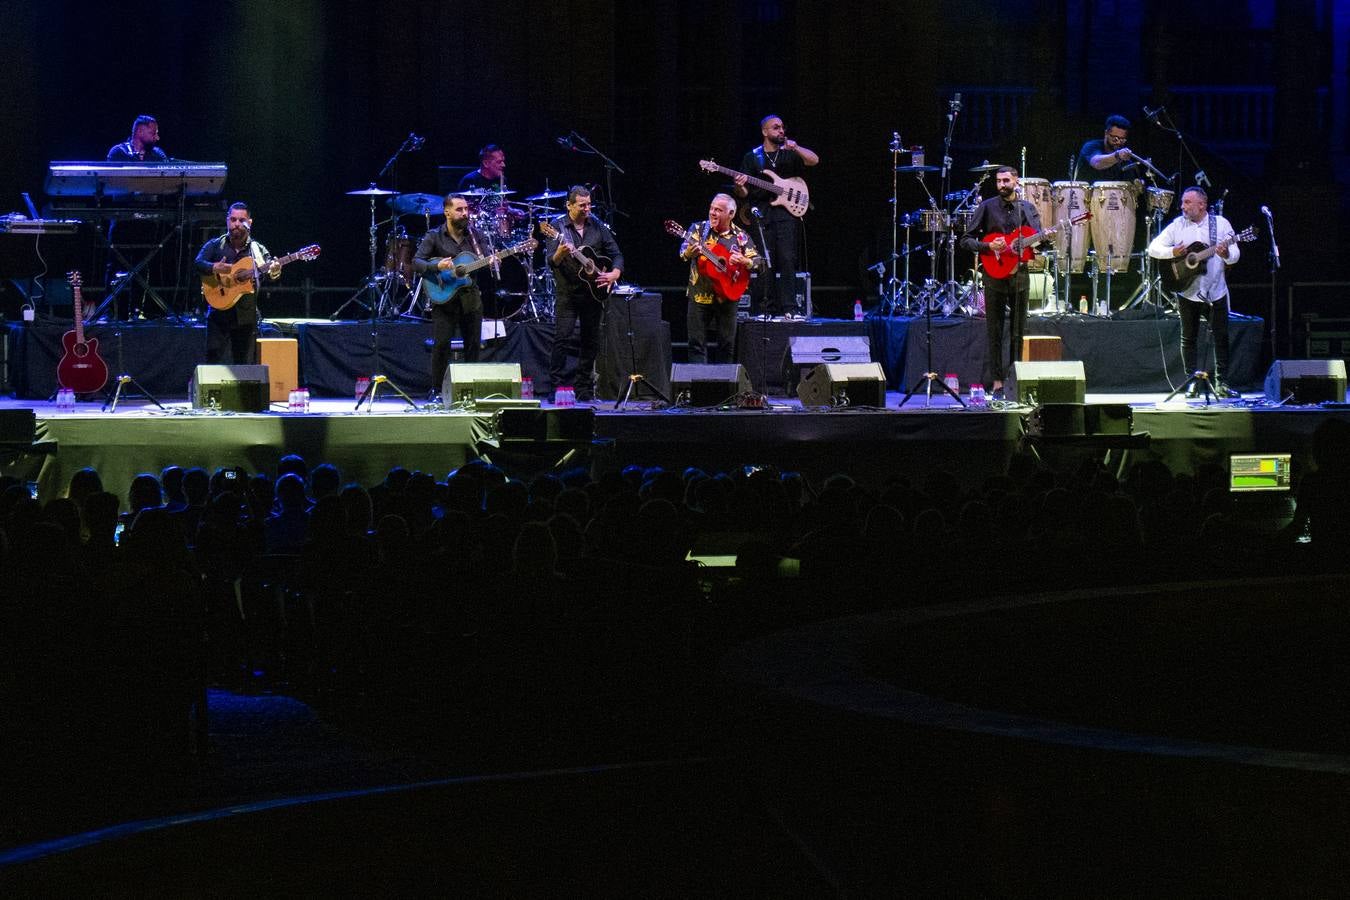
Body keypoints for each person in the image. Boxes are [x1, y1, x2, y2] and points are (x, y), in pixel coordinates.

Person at [1147, 186, 1241, 398]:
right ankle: (1192, 382)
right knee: (1188, 338)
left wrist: (1226, 253)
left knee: (1221, 337)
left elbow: (1235, 254)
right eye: (1183, 203)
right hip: (1187, 291)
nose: (1182, 207)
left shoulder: (1221, 224)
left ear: (1202, 204)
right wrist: (1172, 251)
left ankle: (1222, 383)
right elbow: (1153, 248)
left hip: (1215, 291)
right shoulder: (1178, 225)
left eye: (1187, 202)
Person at [958, 166, 1042, 397]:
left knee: (1018, 330)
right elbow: (965, 240)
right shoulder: (986, 207)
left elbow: (1039, 239)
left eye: (1006, 180)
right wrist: (987, 246)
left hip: (1020, 276)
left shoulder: (1026, 208)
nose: (1002, 185)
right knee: (994, 330)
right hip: (994, 276)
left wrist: (1041, 240)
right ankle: (997, 381)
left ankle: (1016, 377)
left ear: (1016, 182)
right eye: (998, 181)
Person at [734, 115, 819, 318]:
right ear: (765, 132)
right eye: (776, 127)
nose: (781, 130)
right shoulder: (753, 157)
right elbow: (743, 194)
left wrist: (796, 147)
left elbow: (814, 160)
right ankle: (766, 309)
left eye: (782, 127)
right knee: (764, 260)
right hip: (762, 214)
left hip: (786, 214)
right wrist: (739, 186)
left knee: (788, 259)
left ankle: (790, 308)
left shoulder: (789, 153)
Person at [545, 186, 623, 402]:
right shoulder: (556, 227)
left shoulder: (597, 225)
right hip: (568, 294)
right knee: (562, 339)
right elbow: (551, 261)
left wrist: (614, 273)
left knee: (590, 342)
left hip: (593, 294)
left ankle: (584, 389)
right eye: (582, 205)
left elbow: (616, 254)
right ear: (569, 205)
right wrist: (560, 253)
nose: (587, 208)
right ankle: (556, 388)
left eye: (589, 204)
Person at [413, 194, 486, 394]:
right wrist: (437, 265)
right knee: (442, 345)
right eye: (459, 209)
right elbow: (417, 262)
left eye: (466, 209)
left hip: (471, 299)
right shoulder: (434, 235)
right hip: (443, 299)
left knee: (473, 345)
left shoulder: (475, 236)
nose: (465, 213)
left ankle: (472, 390)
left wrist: (493, 261)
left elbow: (483, 259)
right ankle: (437, 390)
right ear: (447, 212)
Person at [194, 202, 279, 365]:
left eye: (242, 220)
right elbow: (197, 263)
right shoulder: (215, 244)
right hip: (218, 314)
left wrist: (275, 270)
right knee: (212, 361)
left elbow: (269, 272)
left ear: (250, 222)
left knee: (243, 364)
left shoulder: (257, 249)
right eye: (233, 219)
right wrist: (213, 267)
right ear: (227, 221)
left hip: (245, 317)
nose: (237, 224)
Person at [680, 193, 759, 364]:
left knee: (726, 345)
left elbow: (759, 262)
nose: (713, 213)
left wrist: (745, 261)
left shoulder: (741, 236)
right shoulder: (699, 230)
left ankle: (724, 388)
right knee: (696, 344)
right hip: (700, 294)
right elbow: (683, 254)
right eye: (711, 208)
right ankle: (699, 386)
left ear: (730, 214)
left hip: (728, 296)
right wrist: (690, 252)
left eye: (718, 210)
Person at [1078, 115, 1140, 181]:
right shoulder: (1091, 146)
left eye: (1122, 139)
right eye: (1115, 138)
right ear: (1106, 133)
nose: (1118, 142)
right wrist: (1117, 156)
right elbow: (1096, 162)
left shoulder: (1125, 160)